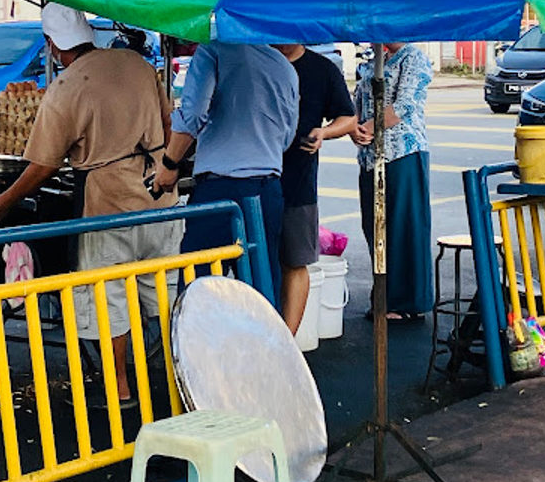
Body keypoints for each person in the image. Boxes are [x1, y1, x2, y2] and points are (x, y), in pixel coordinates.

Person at [0, 3, 178, 405]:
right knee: (163, 294)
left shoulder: (67, 87)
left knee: (110, 298)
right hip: (160, 197)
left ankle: (119, 388)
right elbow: (169, 122)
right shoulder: (137, 64)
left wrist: (4, 201)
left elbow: (42, 165)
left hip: (108, 205)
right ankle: (185, 378)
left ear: (53, 45)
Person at [152, 41, 298, 297]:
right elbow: (286, 137)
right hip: (268, 191)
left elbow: (193, 114)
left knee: (199, 290)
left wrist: (169, 163)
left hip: (220, 191)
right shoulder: (284, 67)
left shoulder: (213, 51)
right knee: (259, 290)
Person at [274, 44, 356, 334]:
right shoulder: (257, 62)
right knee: (256, 261)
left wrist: (325, 132)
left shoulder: (322, 69)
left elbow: (348, 117)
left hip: (298, 179)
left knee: (295, 262)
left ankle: (287, 341)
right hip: (253, 178)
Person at [352, 42, 434, 321]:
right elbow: (357, 103)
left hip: (402, 152)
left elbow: (405, 104)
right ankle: (384, 296)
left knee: (402, 226)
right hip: (369, 155)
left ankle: (406, 302)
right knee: (375, 227)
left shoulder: (413, 58)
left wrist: (370, 127)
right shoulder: (373, 59)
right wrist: (356, 129)